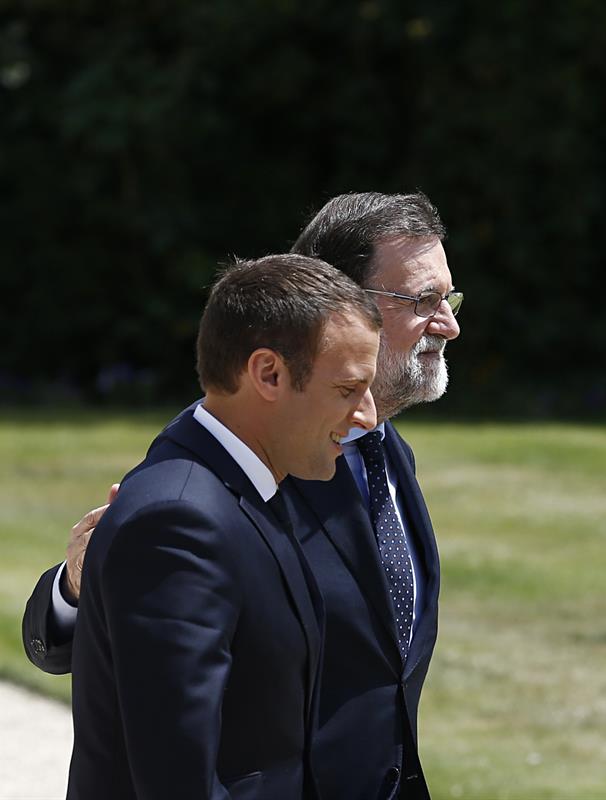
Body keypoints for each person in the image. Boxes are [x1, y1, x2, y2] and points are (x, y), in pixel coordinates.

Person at [23, 192, 460, 800]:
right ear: (337, 298)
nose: (449, 323)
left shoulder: (391, 456)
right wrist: (76, 589)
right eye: (423, 300)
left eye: (448, 297)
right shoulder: (225, 471)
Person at [67, 254, 382, 799]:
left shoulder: (248, 486)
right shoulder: (180, 521)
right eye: (348, 390)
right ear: (268, 373)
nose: (367, 415)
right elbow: (179, 783)